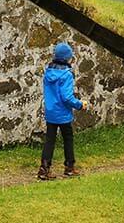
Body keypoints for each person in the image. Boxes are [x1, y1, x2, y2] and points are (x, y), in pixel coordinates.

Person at [37, 41, 88, 180]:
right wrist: (79, 104)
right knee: (68, 138)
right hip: (63, 113)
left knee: (50, 140)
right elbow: (66, 97)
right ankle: (69, 167)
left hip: (50, 112)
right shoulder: (66, 75)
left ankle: (44, 169)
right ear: (67, 58)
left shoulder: (48, 72)